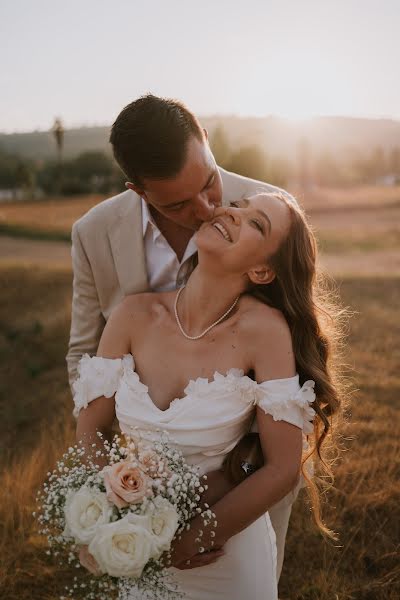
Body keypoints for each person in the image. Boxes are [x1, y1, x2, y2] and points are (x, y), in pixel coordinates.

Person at [67, 94, 299, 579]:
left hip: (240, 488)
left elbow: (296, 378)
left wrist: (226, 482)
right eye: (177, 203)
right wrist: (116, 493)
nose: (207, 210)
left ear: (208, 143)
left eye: (211, 184)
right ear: (138, 190)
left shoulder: (265, 211)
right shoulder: (94, 233)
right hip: (136, 497)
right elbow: (83, 355)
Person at [73, 191, 343, 600]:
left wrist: (192, 539)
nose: (233, 215)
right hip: (136, 548)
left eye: (256, 223)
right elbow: (91, 429)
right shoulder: (132, 315)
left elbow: (282, 467)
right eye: (239, 205)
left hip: (222, 556)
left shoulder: (265, 332)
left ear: (262, 271)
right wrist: (116, 518)